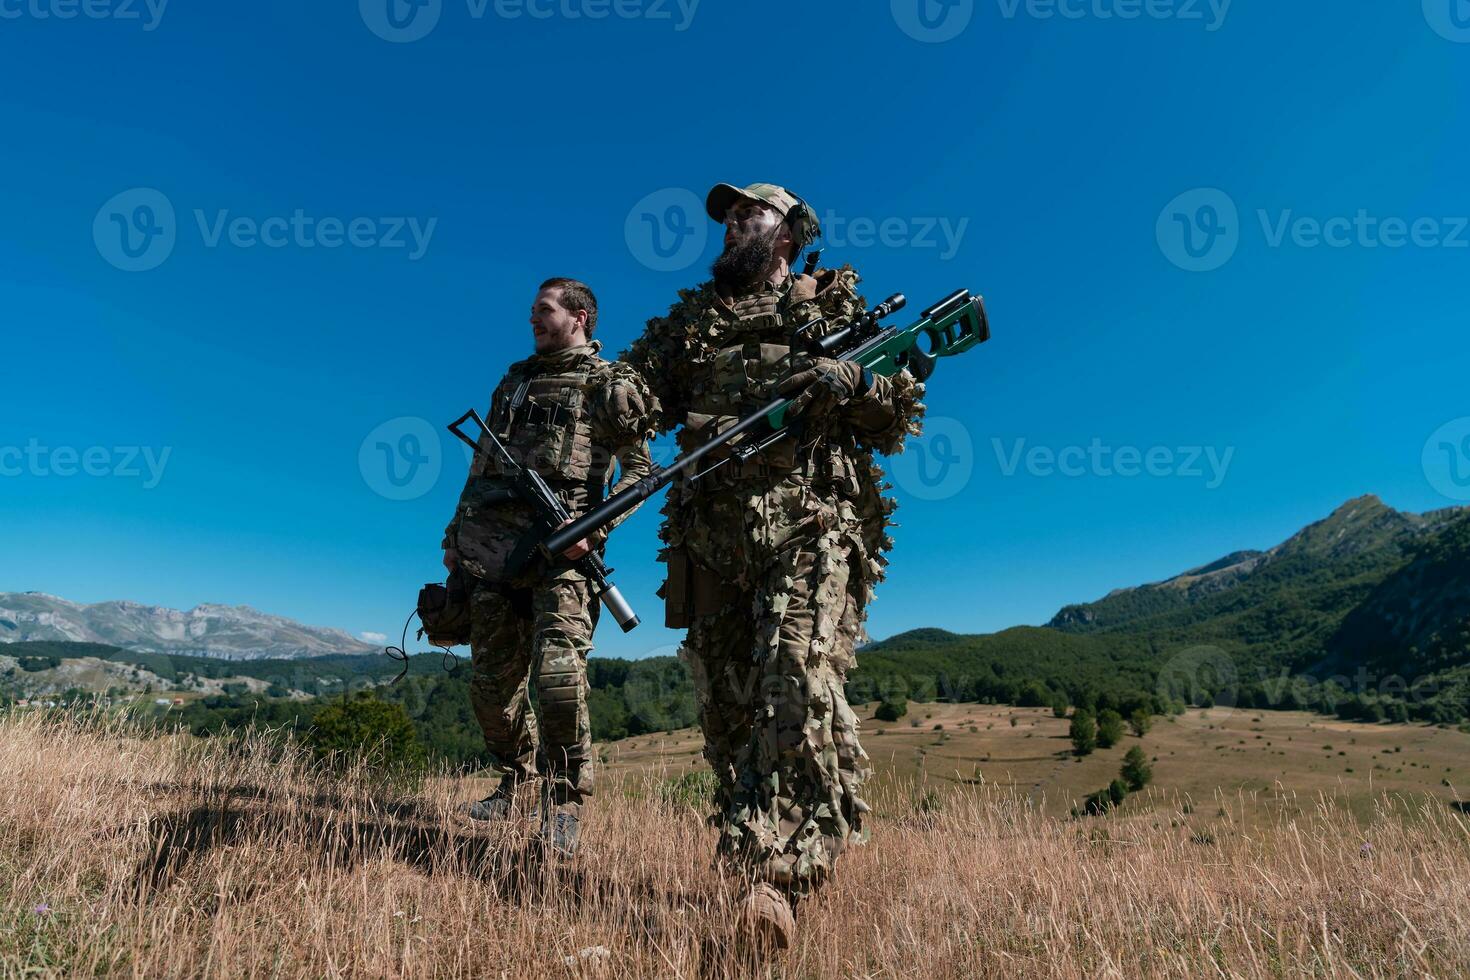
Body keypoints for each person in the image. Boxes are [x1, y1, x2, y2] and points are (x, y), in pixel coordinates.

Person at [620, 183, 924, 945]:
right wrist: (605, 388)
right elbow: (632, 392)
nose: (732, 223)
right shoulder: (694, 318)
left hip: (810, 519)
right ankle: (749, 852)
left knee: (793, 678)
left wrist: (854, 381)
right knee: (726, 711)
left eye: (749, 213)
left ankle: (777, 881)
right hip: (708, 535)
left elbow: (896, 410)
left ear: (788, 231)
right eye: (727, 216)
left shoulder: (830, 305)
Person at [443, 277, 654, 857]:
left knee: (559, 679)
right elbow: (483, 464)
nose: (532, 319)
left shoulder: (612, 383)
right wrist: (455, 535)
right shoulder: (513, 380)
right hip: (492, 554)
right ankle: (516, 779)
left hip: (564, 555)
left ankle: (561, 804)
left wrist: (593, 530)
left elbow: (641, 474)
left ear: (580, 316)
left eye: (544, 310)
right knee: (490, 689)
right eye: (533, 311)